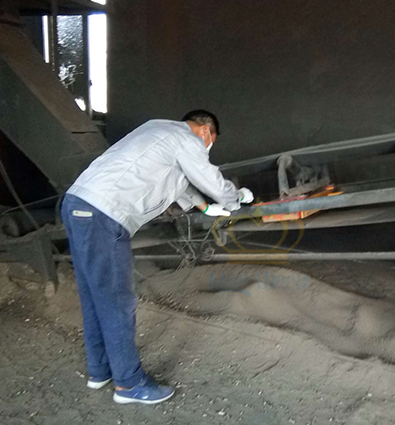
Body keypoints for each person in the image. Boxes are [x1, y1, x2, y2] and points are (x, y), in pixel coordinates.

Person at [61, 110, 253, 404]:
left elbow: (179, 183)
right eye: (210, 142)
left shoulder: (157, 130)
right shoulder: (187, 139)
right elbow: (208, 178)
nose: (207, 148)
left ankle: (99, 372)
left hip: (77, 203)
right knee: (117, 302)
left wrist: (204, 208)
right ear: (205, 131)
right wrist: (235, 198)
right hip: (103, 214)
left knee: (94, 296)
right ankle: (129, 385)